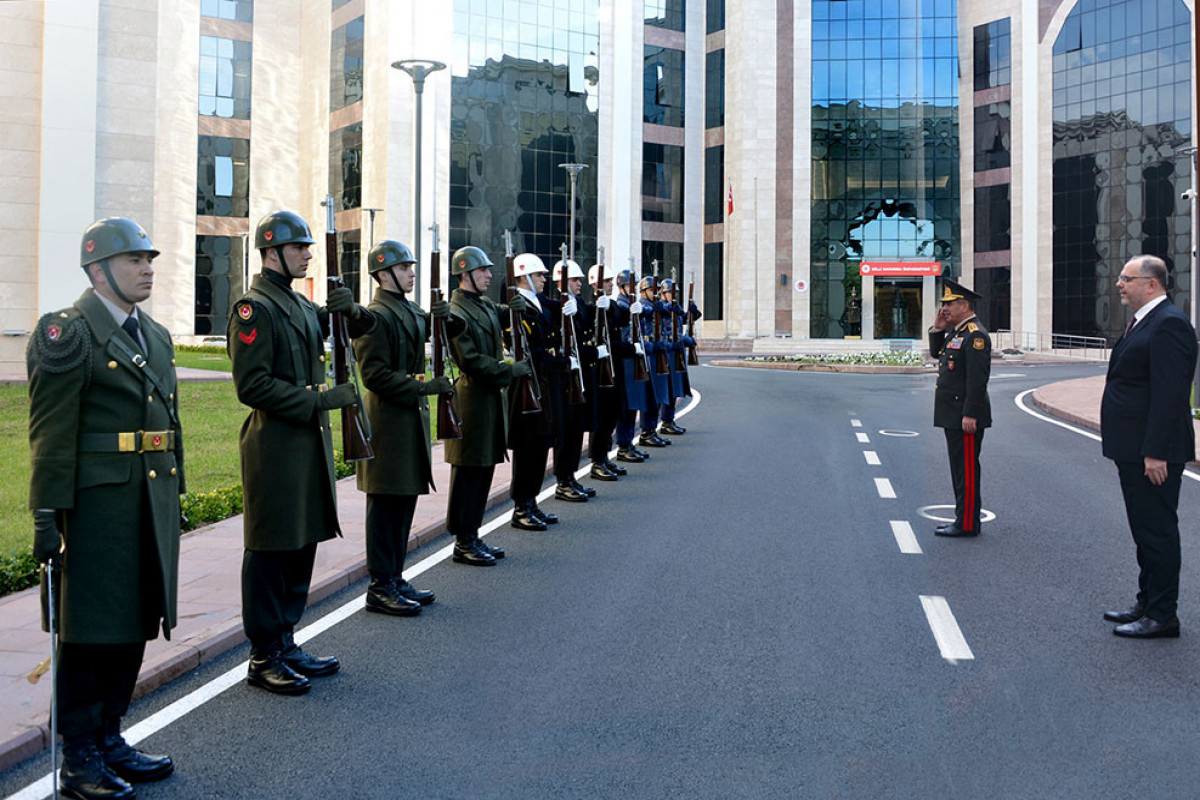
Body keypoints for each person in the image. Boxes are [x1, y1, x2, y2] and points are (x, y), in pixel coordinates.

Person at [28, 217, 182, 799]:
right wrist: (47, 518)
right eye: (133, 261)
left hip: (148, 500)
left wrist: (176, 491)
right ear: (97, 270)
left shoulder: (157, 334)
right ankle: (79, 758)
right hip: (95, 511)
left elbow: (168, 421)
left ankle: (111, 735)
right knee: (89, 633)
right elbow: (49, 435)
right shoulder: (67, 333)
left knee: (136, 621)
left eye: (149, 260)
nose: (147, 269)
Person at [228, 210, 371, 695]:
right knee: (272, 549)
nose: (308, 254)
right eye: (298, 248)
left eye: (310, 247)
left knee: (302, 541)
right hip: (275, 445)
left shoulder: (297, 303)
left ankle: (286, 640)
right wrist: (319, 400)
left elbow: (354, 328)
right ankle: (263, 654)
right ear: (271, 252)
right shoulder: (255, 307)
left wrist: (348, 309)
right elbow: (253, 386)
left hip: (306, 441)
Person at [1101, 255, 1197, 638]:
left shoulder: (1169, 325)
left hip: (1152, 452)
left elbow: (1171, 395)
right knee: (1144, 530)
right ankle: (1147, 601)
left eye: (1127, 278)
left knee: (1157, 531)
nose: (1120, 284)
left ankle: (1162, 615)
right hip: (1134, 447)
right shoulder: (1146, 322)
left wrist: (1155, 451)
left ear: (1152, 284)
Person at [354, 240, 449, 616]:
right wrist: (423, 387)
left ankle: (394, 574)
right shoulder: (376, 315)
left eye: (411, 266)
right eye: (404, 267)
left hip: (408, 418)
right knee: (385, 503)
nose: (412, 272)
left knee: (404, 498)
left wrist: (448, 315)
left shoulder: (408, 310)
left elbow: (443, 330)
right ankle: (380, 585)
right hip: (387, 420)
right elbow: (374, 375)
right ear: (382, 274)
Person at [445, 245, 531, 564]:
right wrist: (509, 370)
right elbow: (470, 360)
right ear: (465, 273)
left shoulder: (481, 305)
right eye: (482, 270)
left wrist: (515, 307)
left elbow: (501, 313)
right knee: (468, 473)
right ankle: (463, 540)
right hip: (471, 400)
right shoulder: (456, 311)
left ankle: (473, 535)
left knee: (483, 472)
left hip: (488, 400)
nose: (488, 275)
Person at [504, 252, 565, 531]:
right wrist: (557, 359)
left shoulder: (538, 304)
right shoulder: (514, 308)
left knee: (541, 445)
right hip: (527, 385)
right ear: (525, 276)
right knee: (528, 446)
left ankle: (532, 501)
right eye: (539, 275)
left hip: (543, 383)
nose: (544, 279)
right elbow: (527, 350)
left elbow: (560, 309)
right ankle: (521, 506)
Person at [928, 279, 991, 538]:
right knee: (959, 469)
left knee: (966, 470)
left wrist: (970, 413)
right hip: (952, 413)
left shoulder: (975, 334)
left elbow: (977, 379)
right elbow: (937, 355)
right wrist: (937, 328)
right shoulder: (958, 331)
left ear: (964, 305)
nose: (945, 308)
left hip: (963, 415)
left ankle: (967, 523)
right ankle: (963, 518)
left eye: (949, 304)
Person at [551, 258, 598, 500]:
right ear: (561, 281)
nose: (580, 283)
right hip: (567, 376)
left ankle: (571, 476)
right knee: (567, 430)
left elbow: (592, 323)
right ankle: (562, 481)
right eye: (575, 279)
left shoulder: (577, 302)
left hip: (581, 373)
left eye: (580, 279)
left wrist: (605, 305)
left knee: (577, 429)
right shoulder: (555, 305)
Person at [586, 263, 626, 481]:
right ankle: (597, 461)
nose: (611, 284)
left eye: (611, 281)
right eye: (607, 281)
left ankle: (605, 456)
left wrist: (609, 307)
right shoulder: (591, 307)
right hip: (600, 370)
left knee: (611, 416)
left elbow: (624, 318)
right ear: (595, 285)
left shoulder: (610, 306)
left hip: (614, 367)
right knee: (601, 417)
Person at [612, 269, 651, 464]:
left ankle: (629, 442)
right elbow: (624, 333)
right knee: (626, 405)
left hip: (633, 356)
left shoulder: (631, 304)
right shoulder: (621, 305)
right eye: (630, 286)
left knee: (633, 402)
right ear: (622, 288)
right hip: (625, 359)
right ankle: (623, 445)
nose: (633, 289)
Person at [656, 277, 701, 436]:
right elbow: (666, 333)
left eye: (675, 293)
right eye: (671, 293)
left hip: (677, 354)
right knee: (668, 390)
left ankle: (669, 420)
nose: (674, 295)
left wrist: (691, 314)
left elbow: (680, 322)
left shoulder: (675, 308)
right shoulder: (661, 310)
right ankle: (664, 422)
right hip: (668, 354)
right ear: (663, 294)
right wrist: (683, 340)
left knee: (675, 389)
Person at [636, 276, 672, 449]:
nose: (655, 294)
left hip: (657, 352)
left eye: (657, 291)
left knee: (657, 395)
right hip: (649, 354)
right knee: (650, 395)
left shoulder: (654, 305)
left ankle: (652, 430)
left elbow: (666, 315)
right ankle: (646, 431)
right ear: (643, 291)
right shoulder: (642, 306)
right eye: (652, 290)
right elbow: (642, 317)